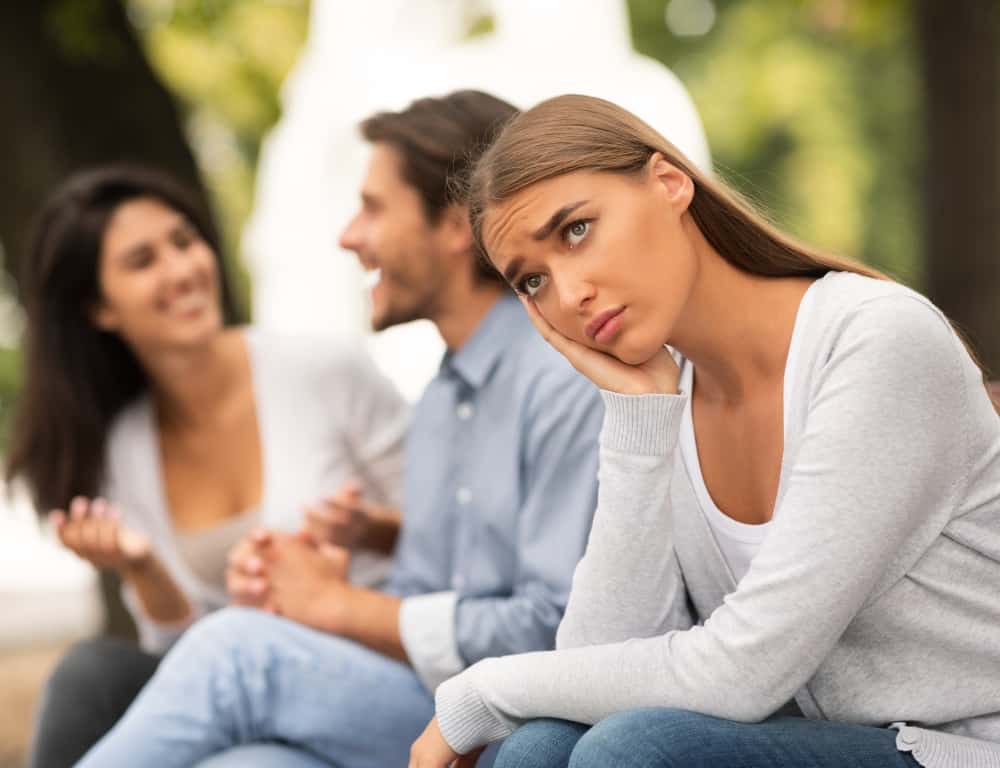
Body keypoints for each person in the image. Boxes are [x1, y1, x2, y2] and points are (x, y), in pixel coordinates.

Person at [409, 94, 1000, 768]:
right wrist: (638, 419)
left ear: (669, 184)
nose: (570, 294)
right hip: (820, 740)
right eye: (534, 281)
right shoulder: (668, 394)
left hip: (962, 748)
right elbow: (593, 663)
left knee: (634, 750)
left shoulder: (875, 342)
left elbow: (744, 669)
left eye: (576, 230)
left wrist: (480, 692)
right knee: (540, 746)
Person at [75, 90, 604, 768]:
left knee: (236, 656)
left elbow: (553, 626)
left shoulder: (559, 378)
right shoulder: (443, 398)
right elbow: (429, 594)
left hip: (508, 717)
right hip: (417, 698)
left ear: (451, 227)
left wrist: (338, 605)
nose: (349, 236)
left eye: (374, 209)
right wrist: (314, 583)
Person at [8, 166, 408, 768]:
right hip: (248, 708)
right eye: (143, 261)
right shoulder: (124, 447)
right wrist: (143, 568)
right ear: (99, 309)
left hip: (373, 679)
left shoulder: (324, 372)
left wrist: (361, 532)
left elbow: (449, 532)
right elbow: (183, 658)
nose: (182, 269)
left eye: (184, 241)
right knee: (98, 675)